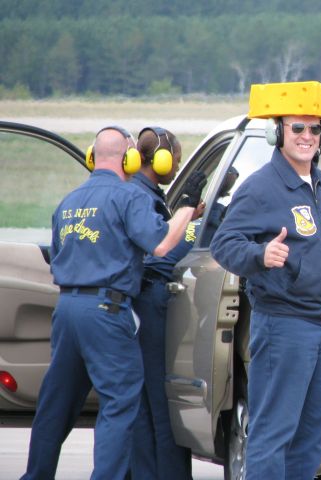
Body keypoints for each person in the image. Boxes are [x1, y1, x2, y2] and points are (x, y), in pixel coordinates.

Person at [21, 125, 206, 480]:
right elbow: (162, 244)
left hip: (67, 311)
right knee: (120, 406)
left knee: (54, 407)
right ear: (129, 159)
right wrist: (184, 209)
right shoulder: (129, 198)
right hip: (107, 311)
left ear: (93, 156)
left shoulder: (69, 202)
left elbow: (57, 257)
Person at [210, 82, 321, 480]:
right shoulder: (260, 188)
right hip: (282, 326)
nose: (307, 137)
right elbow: (224, 243)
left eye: (315, 130)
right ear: (279, 133)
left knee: (312, 435)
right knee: (273, 433)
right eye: (297, 128)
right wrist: (260, 255)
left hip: (320, 324)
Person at [128, 126, 204, 479]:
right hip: (150, 300)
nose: (177, 165)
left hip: (141, 303)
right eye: (175, 158)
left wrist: (191, 214)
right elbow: (162, 256)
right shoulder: (142, 198)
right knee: (157, 399)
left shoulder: (145, 194)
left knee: (146, 397)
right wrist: (194, 224)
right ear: (159, 160)